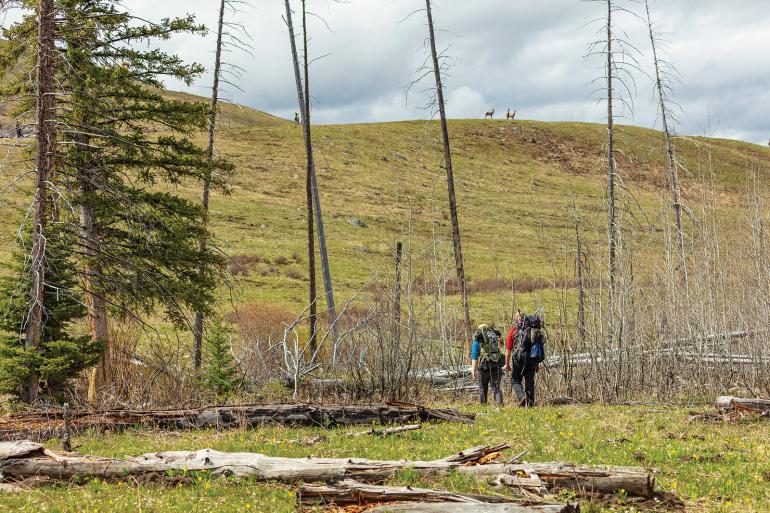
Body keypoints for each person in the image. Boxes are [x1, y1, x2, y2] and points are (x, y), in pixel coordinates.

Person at [504, 310, 539, 407]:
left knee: (515, 380)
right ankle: (530, 404)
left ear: (516, 320)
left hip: (518, 358)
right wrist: (537, 364)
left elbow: (508, 350)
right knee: (529, 381)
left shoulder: (513, 331)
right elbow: (536, 349)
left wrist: (507, 364)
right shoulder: (532, 331)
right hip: (532, 359)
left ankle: (522, 397)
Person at [471, 324, 504, 405]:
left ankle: (483, 405)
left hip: (483, 368)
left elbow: (474, 355)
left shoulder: (478, 340)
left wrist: (473, 370)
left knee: (483, 388)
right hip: (496, 366)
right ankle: (499, 405)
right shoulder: (495, 338)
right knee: (496, 387)